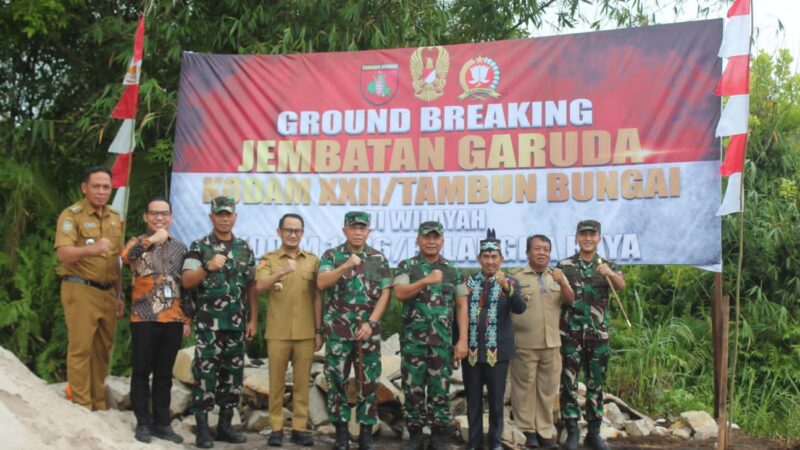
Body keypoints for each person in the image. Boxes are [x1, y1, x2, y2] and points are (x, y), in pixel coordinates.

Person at [181, 196, 258, 448]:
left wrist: (253, 319)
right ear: (211, 217)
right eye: (220, 214)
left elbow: (251, 287)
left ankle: (225, 426)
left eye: (229, 214)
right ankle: (203, 429)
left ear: (235, 217)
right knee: (205, 375)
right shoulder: (199, 246)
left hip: (235, 326)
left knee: (232, 377)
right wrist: (208, 266)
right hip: (208, 327)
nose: (224, 219)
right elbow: (187, 281)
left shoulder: (244, 248)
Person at [317, 211, 391, 450]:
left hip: (367, 333)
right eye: (353, 228)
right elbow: (321, 282)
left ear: (368, 231)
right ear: (345, 231)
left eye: (362, 228)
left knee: (368, 383)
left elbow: (385, 293)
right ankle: (341, 434)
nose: (358, 232)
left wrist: (371, 323)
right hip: (338, 332)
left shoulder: (378, 258)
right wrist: (346, 264)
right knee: (336, 381)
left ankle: (365, 434)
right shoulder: (332, 255)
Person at [393, 221, 469, 450]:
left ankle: (438, 435)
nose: (431, 241)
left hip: (441, 344)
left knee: (439, 390)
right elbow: (399, 293)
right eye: (426, 237)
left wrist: (462, 340)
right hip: (413, 344)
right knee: (413, 389)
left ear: (442, 241)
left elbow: (462, 306)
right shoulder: (407, 266)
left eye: (436, 237)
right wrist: (426, 280)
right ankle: (415, 433)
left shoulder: (453, 271)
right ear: (418, 240)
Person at [54, 166, 125, 411]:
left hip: (108, 292)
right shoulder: (71, 215)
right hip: (80, 288)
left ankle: (98, 402)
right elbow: (64, 254)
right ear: (85, 188)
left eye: (106, 187)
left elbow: (117, 259)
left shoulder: (115, 217)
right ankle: (81, 405)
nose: (102, 191)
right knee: (81, 348)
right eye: (96, 186)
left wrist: (119, 294)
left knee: (102, 349)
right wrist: (91, 250)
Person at [121, 196, 190, 444]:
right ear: (146, 217)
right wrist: (151, 240)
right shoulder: (137, 243)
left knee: (164, 375)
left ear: (170, 217)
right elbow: (124, 258)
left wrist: (187, 318)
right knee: (141, 372)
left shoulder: (180, 248)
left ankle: (162, 423)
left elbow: (187, 286)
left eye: (164, 214)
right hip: (144, 317)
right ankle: (142, 423)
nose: (159, 218)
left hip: (172, 319)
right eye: (154, 213)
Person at [557, 220, 625, 450]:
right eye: (583, 234)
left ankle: (594, 432)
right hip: (571, 335)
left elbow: (622, 285)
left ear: (598, 238)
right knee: (568, 383)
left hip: (598, 337)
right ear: (576, 237)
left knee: (596, 384)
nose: (587, 238)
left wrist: (610, 274)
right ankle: (573, 430)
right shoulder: (565, 265)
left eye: (592, 234)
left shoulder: (607, 265)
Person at [256, 213, 322, 447]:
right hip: (278, 332)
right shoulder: (269, 259)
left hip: (305, 332)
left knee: (302, 384)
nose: (292, 234)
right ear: (279, 232)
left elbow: (317, 296)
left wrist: (318, 329)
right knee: (276, 384)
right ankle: (276, 428)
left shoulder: (312, 261)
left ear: (302, 233)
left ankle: (299, 428)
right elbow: (260, 286)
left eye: (297, 231)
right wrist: (281, 271)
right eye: (288, 230)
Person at [461, 229, 526, 450]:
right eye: (486, 257)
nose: (490, 261)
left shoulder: (511, 281)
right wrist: (457, 344)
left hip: (498, 353)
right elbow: (457, 315)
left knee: (496, 401)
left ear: (501, 259)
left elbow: (520, 308)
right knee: (473, 400)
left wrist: (507, 288)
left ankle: (495, 441)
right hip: (470, 352)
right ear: (479, 259)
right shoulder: (467, 282)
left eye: (494, 257)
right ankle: (474, 442)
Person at [509, 235, 574, 449]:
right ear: (528, 253)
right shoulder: (516, 277)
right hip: (524, 344)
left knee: (547, 391)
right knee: (523, 390)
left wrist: (562, 281)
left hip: (552, 344)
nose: (542, 253)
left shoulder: (556, 277)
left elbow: (570, 300)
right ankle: (527, 431)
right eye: (537, 249)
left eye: (546, 249)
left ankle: (545, 431)